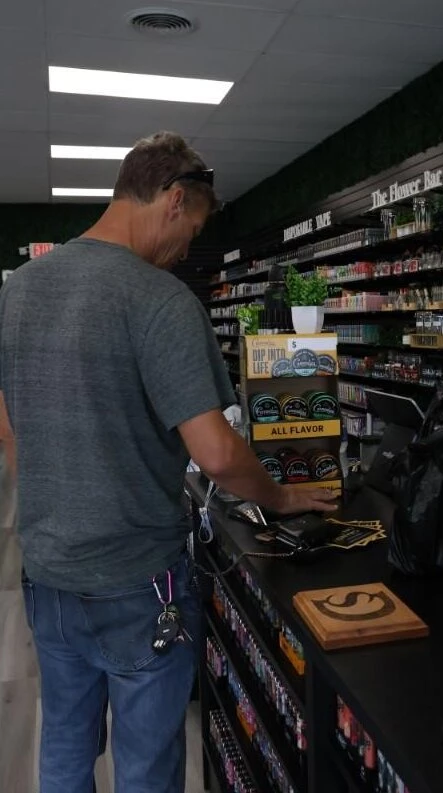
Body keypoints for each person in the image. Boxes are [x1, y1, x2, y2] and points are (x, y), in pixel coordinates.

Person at [0, 131, 336, 793]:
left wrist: (53, 475)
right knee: (147, 765)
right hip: (138, 580)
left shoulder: (21, 289)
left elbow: (6, 418)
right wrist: (284, 498)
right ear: (174, 199)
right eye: (193, 230)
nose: (185, 250)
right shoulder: (161, 302)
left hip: (47, 573)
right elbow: (215, 452)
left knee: (64, 746)